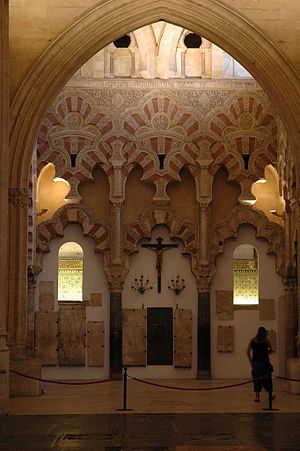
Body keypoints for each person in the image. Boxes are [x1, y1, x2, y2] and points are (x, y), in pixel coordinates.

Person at [247, 326, 274, 402]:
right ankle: (270, 394)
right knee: (267, 378)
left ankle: (257, 396)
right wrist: (267, 351)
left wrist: (250, 361)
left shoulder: (253, 340)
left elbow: (248, 351)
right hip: (264, 362)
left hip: (255, 362)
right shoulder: (266, 341)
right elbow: (271, 350)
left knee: (256, 379)